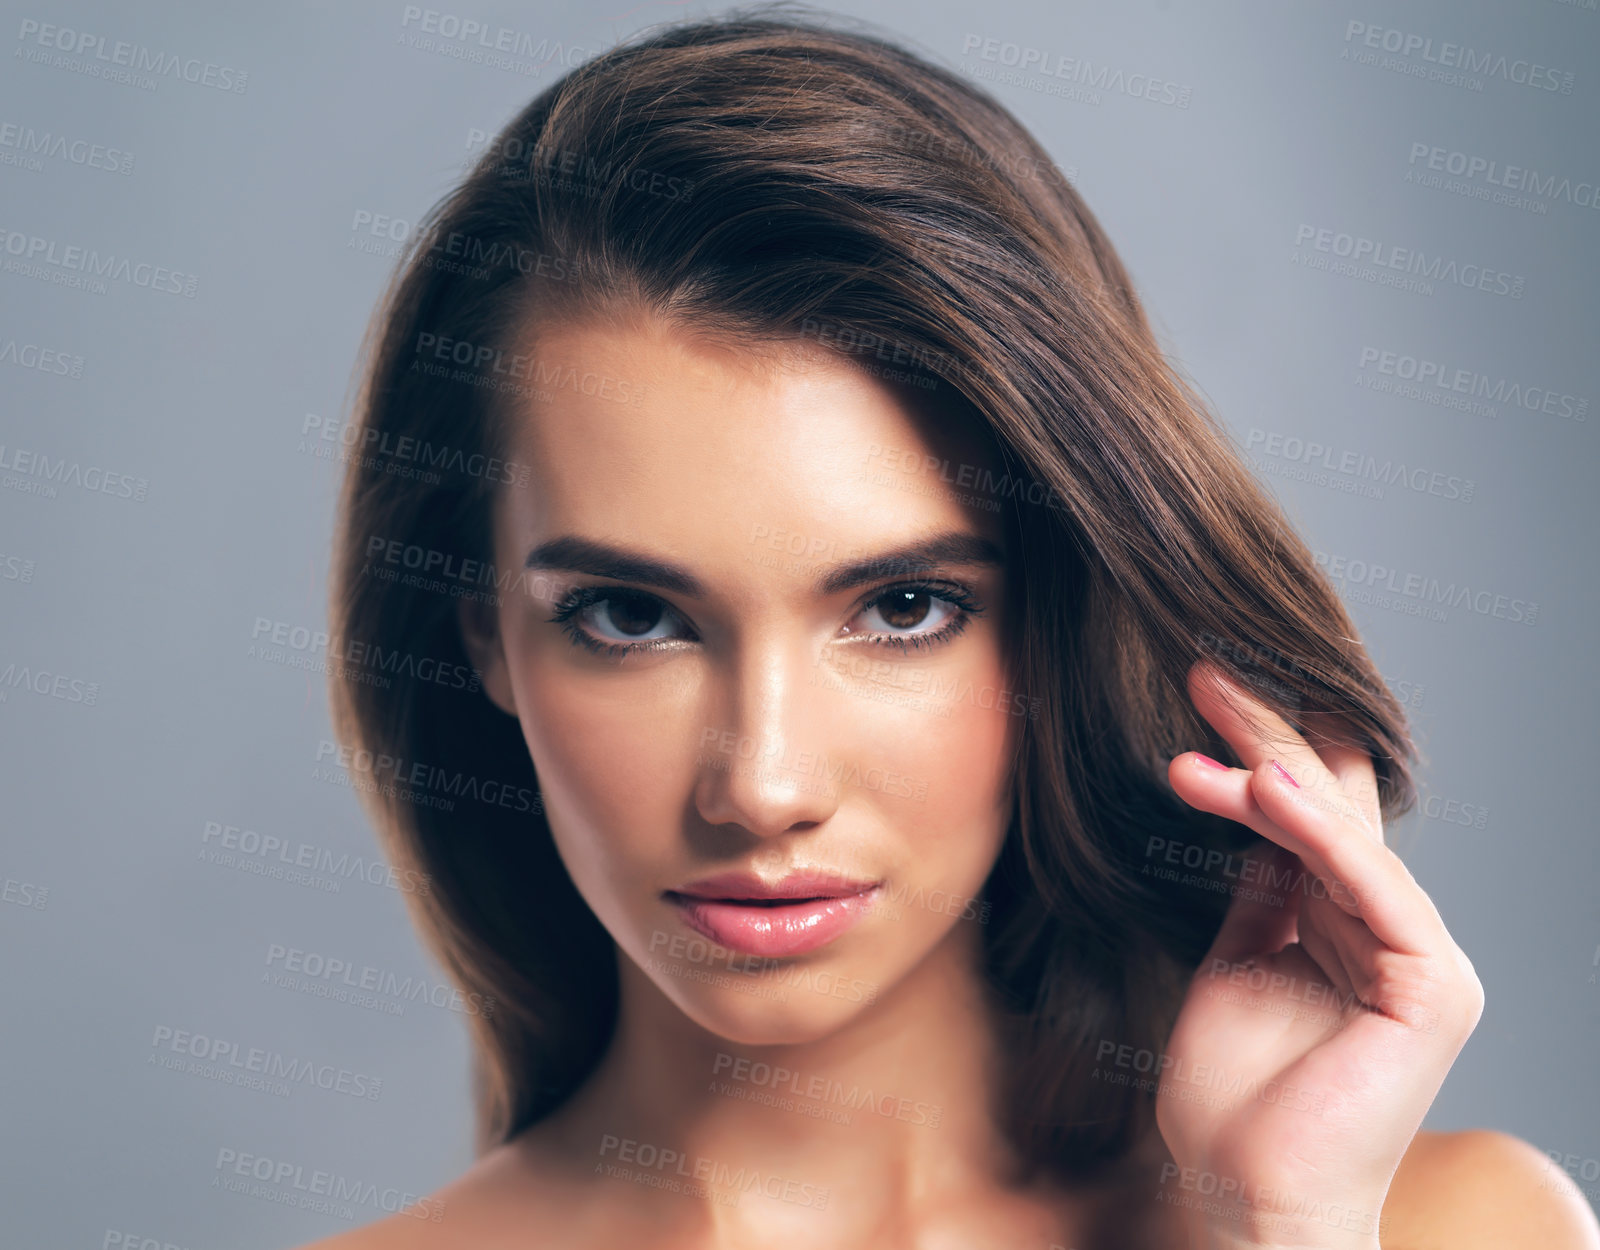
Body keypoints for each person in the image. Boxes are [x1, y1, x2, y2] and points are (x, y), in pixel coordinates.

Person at [298, 9, 1600, 1248]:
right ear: (484, 640)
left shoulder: (1453, 1227)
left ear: (1054, 625)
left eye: (903, 607)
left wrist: (1279, 1224)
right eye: (631, 616)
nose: (764, 785)